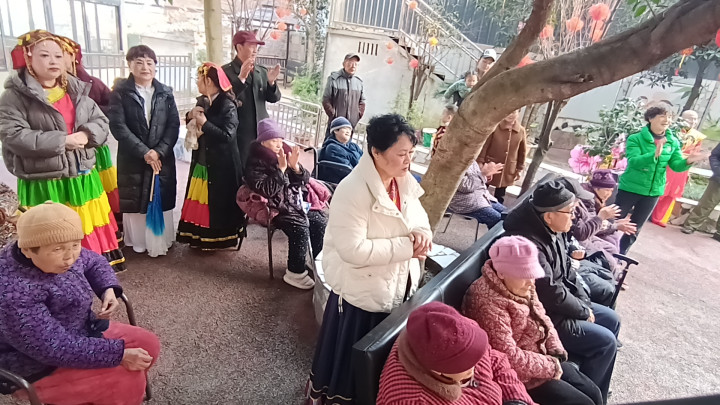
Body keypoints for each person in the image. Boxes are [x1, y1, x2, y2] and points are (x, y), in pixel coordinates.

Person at [306, 114, 432, 405]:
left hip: (394, 285)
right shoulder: (353, 189)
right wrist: (408, 247)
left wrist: (422, 232)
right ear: (376, 151)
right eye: (401, 154)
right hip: (360, 294)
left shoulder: (402, 181)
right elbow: (353, 250)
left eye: (411, 153)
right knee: (351, 367)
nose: (408, 161)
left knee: (378, 365)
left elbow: (418, 217)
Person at [0, 202, 160, 405]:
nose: (70, 258)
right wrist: (118, 355)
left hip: (81, 330)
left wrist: (107, 289)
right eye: (58, 249)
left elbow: (93, 261)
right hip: (37, 365)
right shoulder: (13, 291)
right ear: (28, 250)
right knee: (126, 379)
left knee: (149, 345)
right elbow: (53, 347)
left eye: (75, 245)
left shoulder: (57, 245)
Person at [0, 30, 125, 272]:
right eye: (44, 55)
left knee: (84, 229)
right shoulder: (14, 97)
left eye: (58, 56)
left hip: (82, 176)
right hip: (45, 180)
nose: (53, 61)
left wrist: (87, 134)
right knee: (51, 233)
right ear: (28, 57)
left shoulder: (76, 90)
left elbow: (101, 121)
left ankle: (91, 275)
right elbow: (13, 136)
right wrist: (62, 141)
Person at [502, 181, 620, 403]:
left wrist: (584, 304)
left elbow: (568, 271)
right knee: (605, 342)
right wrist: (582, 311)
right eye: (570, 212)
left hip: (565, 304)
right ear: (549, 216)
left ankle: (596, 388)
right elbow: (550, 293)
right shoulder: (529, 244)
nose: (574, 217)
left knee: (612, 319)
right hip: (548, 315)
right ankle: (591, 390)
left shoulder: (552, 230)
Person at [463, 236, 602, 405]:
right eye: (525, 275)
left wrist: (555, 352)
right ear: (501, 272)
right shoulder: (486, 302)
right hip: (520, 376)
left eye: (533, 273)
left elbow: (543, 317)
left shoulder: (522, 284)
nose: (531, 282)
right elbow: (508, 356)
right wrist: (551, 366)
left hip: (541, 357)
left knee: (594, 393)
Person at [377, 302, 534, 405]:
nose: (475, 366)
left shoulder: (459, 333)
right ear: (438, 371)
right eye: (466, 366)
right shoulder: (413, 400)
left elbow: (495, 359)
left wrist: (518, 399)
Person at [108, 45, 179, 258]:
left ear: (155, 66)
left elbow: (173, 125)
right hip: (133, 157)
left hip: (161, 157)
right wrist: (145, 152)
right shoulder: (120, 93)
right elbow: (118, 126)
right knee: (136, 198)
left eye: (149, 62)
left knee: (160, 195)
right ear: (129, 65)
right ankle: (139, 241)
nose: (145, 67)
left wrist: (159, 151)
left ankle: (162, 239)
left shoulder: (165, 93)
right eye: (139, 62)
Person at [245, 118, 326, 289]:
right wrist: (281, 170)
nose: (279, 144)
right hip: (274, 206)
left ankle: (315, 260)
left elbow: (304, 180)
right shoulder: (255, 161)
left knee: (319, 220)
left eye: (280, 140)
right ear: (263, 141)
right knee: (300, 227)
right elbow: (266, 190)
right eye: (274, 140)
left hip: (294, 201)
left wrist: (295, 167)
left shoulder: (286, 153)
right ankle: (295, 272)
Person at [615, 106, 706, 254]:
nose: (667, 120)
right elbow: (634, 161)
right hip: (630, 188)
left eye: (669, 117)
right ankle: (601, 249)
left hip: (653, 192)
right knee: (614, 220)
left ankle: (621, 256)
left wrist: (689, 161)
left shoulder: (673, 141)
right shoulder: (635, 138)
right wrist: (654, 155)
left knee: (635, 228)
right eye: (663, 116)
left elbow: (676, 165)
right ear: (650, 118)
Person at [177, 62, 246, 250]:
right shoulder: (203, 100)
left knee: (216, 202)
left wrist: (205, 124)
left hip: (222, 165)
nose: (197, 82)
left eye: (199, 79)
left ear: (208, 81)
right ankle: (197, 236)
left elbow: (228, 135)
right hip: (203, 160)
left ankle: (218, 239)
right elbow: (193, 119)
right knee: (201, 197)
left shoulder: (227, 105)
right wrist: (190, 115)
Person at [57, 35, 121, 234]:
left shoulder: (90, 83)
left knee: (95, 194)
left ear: (73, 56)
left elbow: (111, 107)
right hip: (60, 154)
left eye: (61, 53)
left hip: (91, 145)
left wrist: (87, 127)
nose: (55, 59)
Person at [222, 31, 282, 166]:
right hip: (240, 132)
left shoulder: (261, 71)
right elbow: (224, 100)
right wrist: (241, 79)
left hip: (262, 132)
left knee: (263, 166)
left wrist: (271, 83)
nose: (255, 50)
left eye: (256, 46)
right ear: (239, 47)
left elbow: (274, 98)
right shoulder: (225, 72)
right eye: (251, 46)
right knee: (242, 167)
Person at [651, 109, 706, 226]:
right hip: (668, 163)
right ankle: (649, 212)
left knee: (672, 193)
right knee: (660, 188)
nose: (693, 121)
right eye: (690, 118)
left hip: (682, 166)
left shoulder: (698, 136)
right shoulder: (672, 131)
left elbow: (695, 153)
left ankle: (659, 217)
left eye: (695, 119)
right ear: (681, 118)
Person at [477, 109, 527, 203]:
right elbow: (485, 145)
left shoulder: (521, 131)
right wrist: (480, 161)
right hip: (490, 165)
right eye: (508, 111)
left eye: (513, 112)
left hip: (508, 168)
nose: (510, 114)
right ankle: (478, 206)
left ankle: (497, 209)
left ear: (518, 114)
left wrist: (519, 169)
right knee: (482, 189)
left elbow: (522, 152)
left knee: (500, 194)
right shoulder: (495, 127)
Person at [448, 161, 507, 229]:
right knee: (499, 221)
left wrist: (486, 175)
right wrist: (483, 174)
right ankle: (499, 236)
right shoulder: (454, 162)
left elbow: (477, 178)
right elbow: (466, 187)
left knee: (508, 214)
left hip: (482, 196)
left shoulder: (471, 159)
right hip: (466, 202)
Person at [682, 142, 720, 241]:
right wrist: (718, 170)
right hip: (718, 180)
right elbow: (714, 156)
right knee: (707, 204)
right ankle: (690, 226)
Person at [322, 53, 366, 130]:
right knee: (332, 138)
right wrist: (333, 115)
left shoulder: (358, 82)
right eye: (350, 63)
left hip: (350, 125)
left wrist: (358, 115)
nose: (353, 66)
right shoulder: (334, 79)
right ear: (344, 64)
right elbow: (326, 99)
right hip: (335, 124)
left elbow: (362, 101)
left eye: (356, 64)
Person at [317, 116, 363, 184]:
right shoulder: (332, 148)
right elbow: (345, 171)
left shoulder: (353, 146)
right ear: (335, 130)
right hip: (340, 183)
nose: (348, 131)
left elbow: (365, 159)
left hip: (355, 177)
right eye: (345, 128)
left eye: (349, 129)